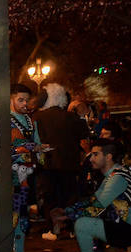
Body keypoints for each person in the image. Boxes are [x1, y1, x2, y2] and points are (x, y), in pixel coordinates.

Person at [34, 83, 89, 229]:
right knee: (68, 196)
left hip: (46, 164)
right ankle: (70, 225)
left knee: (49, 197)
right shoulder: (70, 117)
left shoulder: (37, 117)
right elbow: (84, 135)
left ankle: (52, 226)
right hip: (69, 164)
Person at [9, 83, 45, 252]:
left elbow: (35, 141)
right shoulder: (4, 120)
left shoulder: (30, 120)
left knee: (22, 217)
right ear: (11, 99)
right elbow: (11, 147)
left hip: (27, 177)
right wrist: (31, 148)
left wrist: (41, 152)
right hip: (11, 178)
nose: (24, 104)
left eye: (26, 100)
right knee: (12, 217)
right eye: (20, 100)